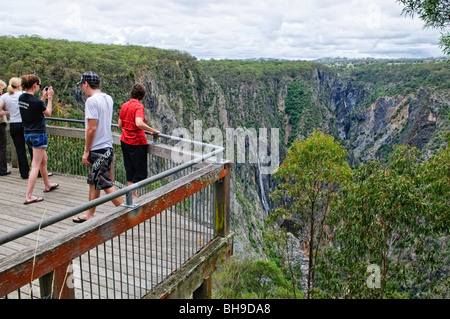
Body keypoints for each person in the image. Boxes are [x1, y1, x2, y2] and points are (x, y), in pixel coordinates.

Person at [73, 71, 123, 223]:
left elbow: (91, 128)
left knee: (105, 183)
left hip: (97, 148)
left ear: (86, 84)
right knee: (94, 181)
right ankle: (90, 213)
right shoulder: (108, 98)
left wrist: (86, 151)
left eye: (82, 85)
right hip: (107, 145)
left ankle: (128, 211)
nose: (82, 88)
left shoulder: (91, 101)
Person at [19, 74, 59, 205]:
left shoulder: (22, 98)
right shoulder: (36, 102)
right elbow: (47, 112)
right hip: (38, 134)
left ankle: (47, 185)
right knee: (35, 164)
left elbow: (35, 106)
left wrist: (42, 97)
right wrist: (50, 98)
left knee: (43, 159)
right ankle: (28, 196)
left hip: (28, 134)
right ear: (35, 85)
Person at [118, 83, 160, 199]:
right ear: (142, 96)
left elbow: (120, 125)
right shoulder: (138, 107)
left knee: (129, 168)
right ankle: (132, 194)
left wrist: (128, 129)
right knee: (141, 173)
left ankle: (132, 194)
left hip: (124, 140)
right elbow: (139, 123)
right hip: (137, 142)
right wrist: (153, 130)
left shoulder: (125, 105)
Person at [0, 77, 32, 179]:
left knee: (20, 150)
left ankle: (24, 173)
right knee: (32, 148)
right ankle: (38, 171)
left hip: (14, 124)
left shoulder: (5, 96)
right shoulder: (23, 94)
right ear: (20, 85)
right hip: (25, 123)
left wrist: (7, 113)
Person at [0, 79, 11, 176]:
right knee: (2, 146)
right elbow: (5, 110)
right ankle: (3, 169)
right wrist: (7, 112)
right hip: (0, 123)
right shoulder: (1, 98)